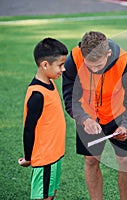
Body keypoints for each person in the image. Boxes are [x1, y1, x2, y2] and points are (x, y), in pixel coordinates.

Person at [62, 31, 127, 200]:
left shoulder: (123, 60)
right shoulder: (74, 59)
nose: (94, 69)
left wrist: (126, 125)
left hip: (118, 115)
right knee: (90, 160)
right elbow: (70, 97)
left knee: (126, 163)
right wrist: (83, 119)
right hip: (87, 115)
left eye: (98, 66)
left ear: (108, 53)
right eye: (89, 65)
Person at [18, 38, 68, 200]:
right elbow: (28, 129)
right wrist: (28, 158)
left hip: (54, 154)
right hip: (45, 157)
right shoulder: (37, 94)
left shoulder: (50, 83)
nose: (64, 69)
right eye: (60, 65)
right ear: (45, 65)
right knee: (42, 196)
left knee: (50, 194)